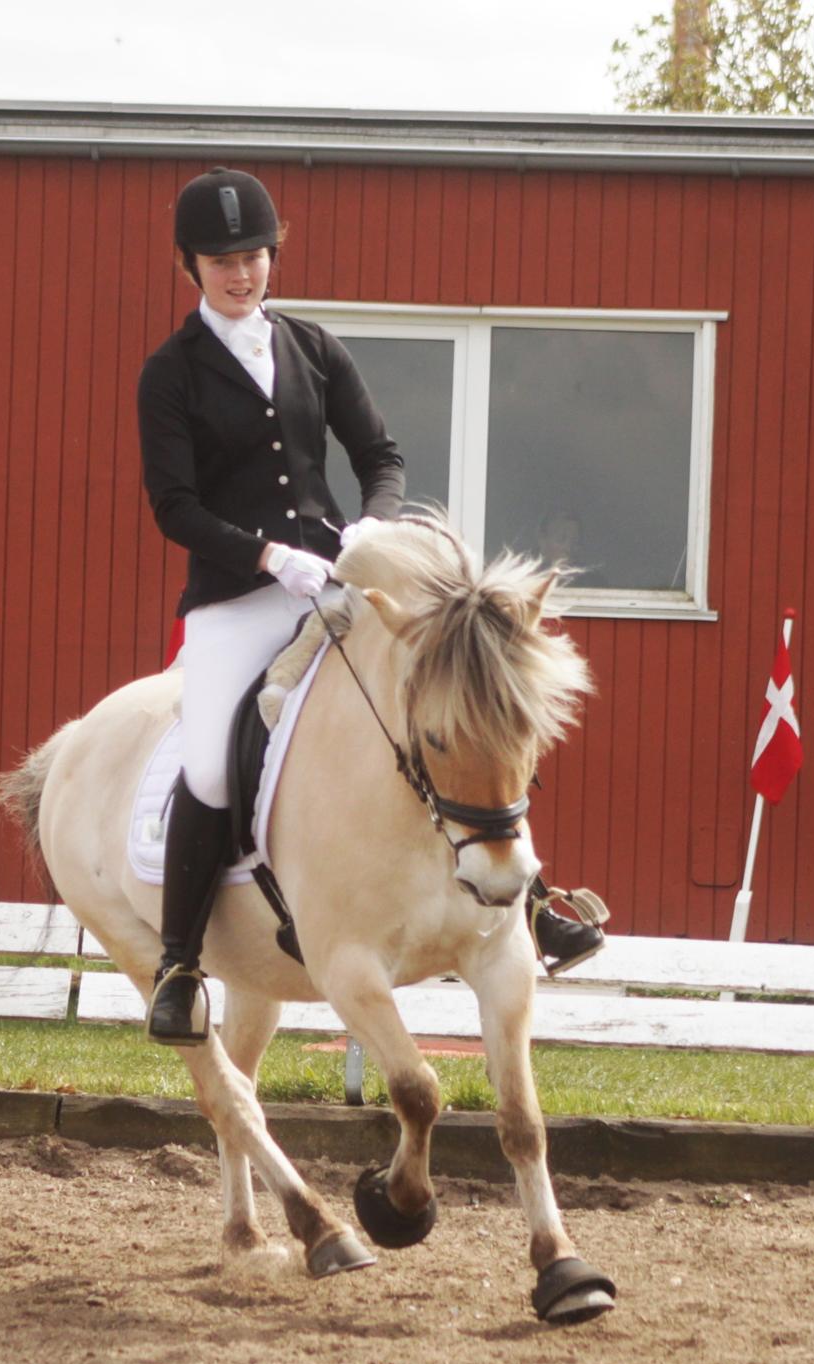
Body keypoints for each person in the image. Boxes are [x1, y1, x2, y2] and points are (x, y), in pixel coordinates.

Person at [137, 167, 601, 1046]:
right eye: (221, 260)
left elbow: (379, 454)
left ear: (273, 255)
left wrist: (370, 528)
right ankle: (180, 963)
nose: (241, 273)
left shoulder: (312, 346)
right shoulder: (172, 373)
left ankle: (534, 902)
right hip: (237, 599)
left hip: (339, 579)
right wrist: (266, 554)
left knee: (452, 698)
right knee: (211, 764)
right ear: (188, 265)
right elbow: (174, 505)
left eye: (253, 255)